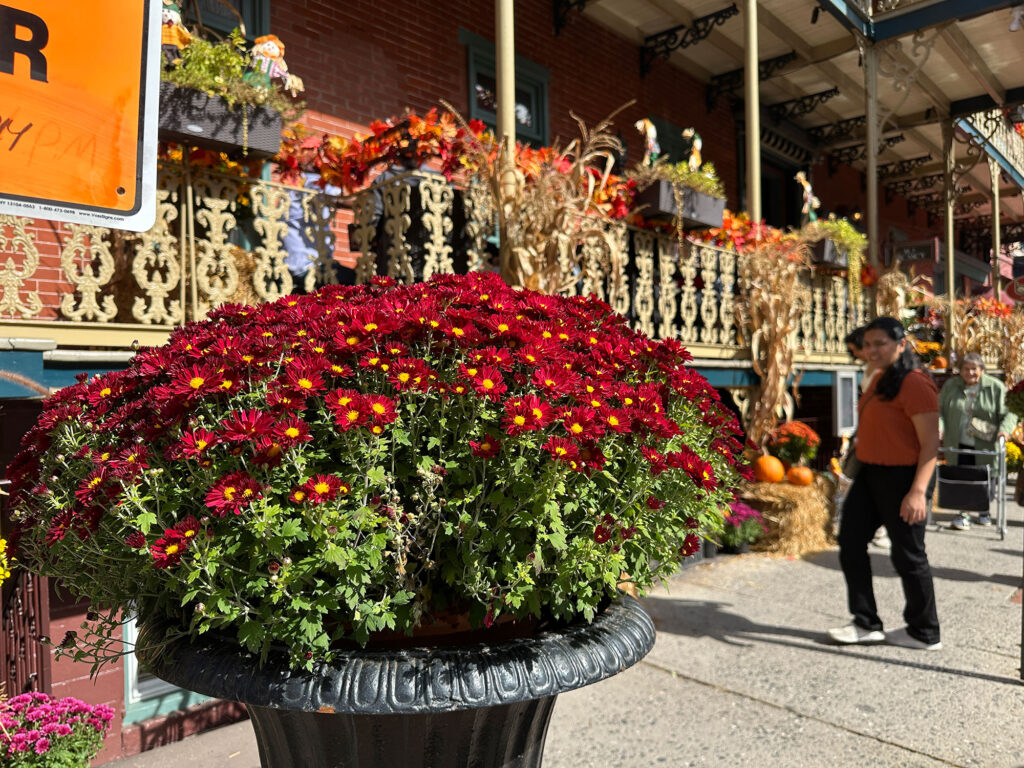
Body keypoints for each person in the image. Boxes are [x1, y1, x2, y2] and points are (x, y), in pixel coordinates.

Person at [828, 317, 941, 651]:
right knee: (850, 541)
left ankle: (925, 631)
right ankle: (866, 622)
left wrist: (918, 491)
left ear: (901, 345)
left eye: (881, 343)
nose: (872, 350)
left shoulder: (915, 383)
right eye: (868, 344)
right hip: (871, 474)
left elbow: (931, 446)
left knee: (908, 554)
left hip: (905, 477)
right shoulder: (879, 379)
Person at [938, 353, 1017, 529]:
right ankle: (963, 513)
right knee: (962, 477)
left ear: (982, 370)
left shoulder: (995, 387)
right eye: (966, 369)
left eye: (974, 369)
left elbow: (1010, 413)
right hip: (959, 442)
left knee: (985, 479)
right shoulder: (952, 386)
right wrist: (939, 425)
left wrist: (1005, 430)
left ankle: (983, 511)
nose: (970, 373)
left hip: (986, 444)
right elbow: (939, 410)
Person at [843, 325, 889, 550]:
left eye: (856, 350)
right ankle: (871, 527)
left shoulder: (881, 372)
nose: (855, 356)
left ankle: (879, 529)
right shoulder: (869, 369)